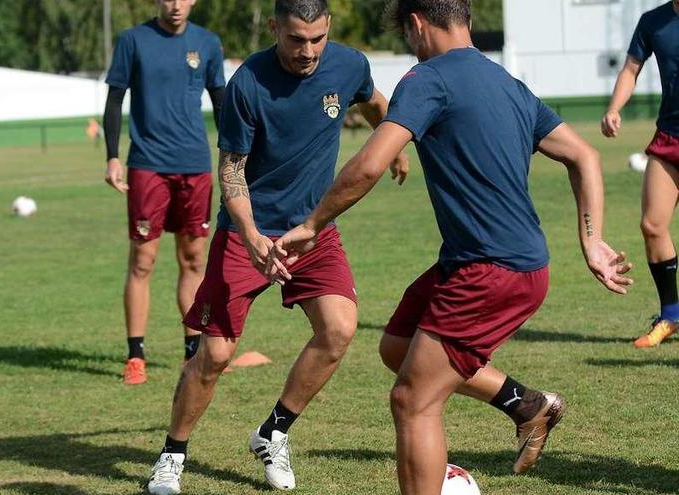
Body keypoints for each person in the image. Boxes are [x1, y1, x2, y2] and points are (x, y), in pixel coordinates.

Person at [271, 1, 632, 493]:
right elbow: (584, 155)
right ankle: (527, 405)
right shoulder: (506, 82)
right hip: (486, 261)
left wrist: (314, 223)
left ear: (417, 24)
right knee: (397, 345)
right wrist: (591, 240)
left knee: (412, 400)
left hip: (489, 269)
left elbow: (371, 164)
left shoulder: (426, 80)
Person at [145, 1, 410, 493]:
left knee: (339, 329)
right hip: (246, 233)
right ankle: (172, 455)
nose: (307, 51)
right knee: (216, 355)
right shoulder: (248, 83)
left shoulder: (349, 63)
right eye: (295, 39)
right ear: (274, 29)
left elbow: (373, 99)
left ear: (327, 27)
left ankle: (273, 432)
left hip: (312, 230)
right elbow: (231, 173)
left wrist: (390, 145)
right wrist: (251, 240)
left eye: (316, 39)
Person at [103, 0, 226, 385]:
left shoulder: (208, 43)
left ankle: (192, 350)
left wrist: (232, 155)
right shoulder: (133, 40)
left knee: (193, 260)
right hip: (147, 165)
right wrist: (111, 156)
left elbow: (221, 101)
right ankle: (135, 354)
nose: (175, 5)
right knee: (143, 261)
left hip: (194, 164)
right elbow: (114, 99)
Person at [602, 0, 679, 348]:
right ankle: (672, 315)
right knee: (652, 225)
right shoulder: (653, 21)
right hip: (670, 136)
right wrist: (615, 108)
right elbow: (631, 68)